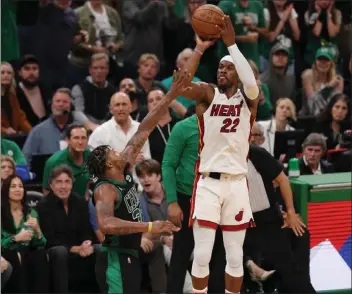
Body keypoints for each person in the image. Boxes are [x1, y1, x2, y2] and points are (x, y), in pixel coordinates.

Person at [86, 68, 190, 294]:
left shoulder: (121, 171)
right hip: (115, 259)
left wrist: (171, 95)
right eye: (112, 151)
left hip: (129, 256)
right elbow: (106, 224)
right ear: (107, 164)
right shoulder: (104, 188)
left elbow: (145, 127)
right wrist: (149, 226)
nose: (119, 151)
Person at [181, 16, 260, 293]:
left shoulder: (248, 100)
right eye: (220, 67)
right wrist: (200, 49)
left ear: (238, 72)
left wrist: (232, 46)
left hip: (237, 183)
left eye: (228, 68)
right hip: (208, 183)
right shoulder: (208, 94)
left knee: (236, 256)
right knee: (202, 254)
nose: (222, 71)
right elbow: (182, 86)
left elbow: (252, 85)